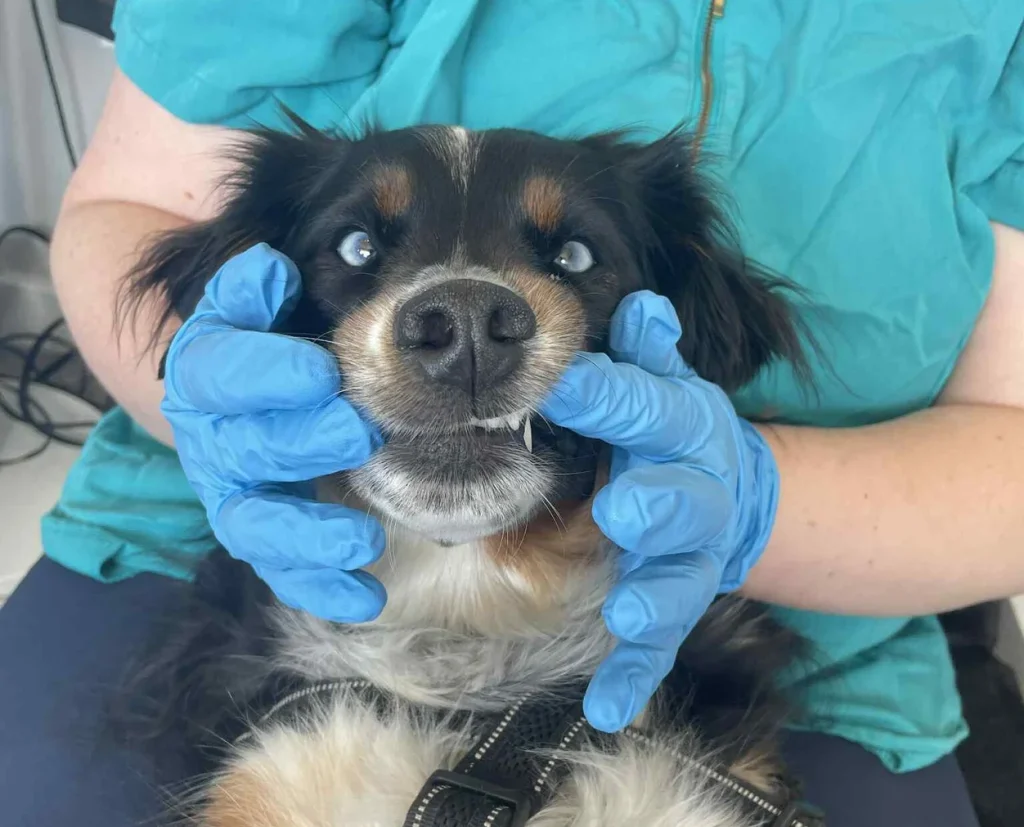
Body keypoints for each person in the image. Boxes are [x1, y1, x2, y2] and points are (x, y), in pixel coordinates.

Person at [1, 1, 1021, 825]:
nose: (464, 321)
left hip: (765, 609)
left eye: (571, 256)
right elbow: (129, 201)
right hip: (237, 559)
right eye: (359, 246)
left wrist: (753, 497)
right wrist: (188, 371)